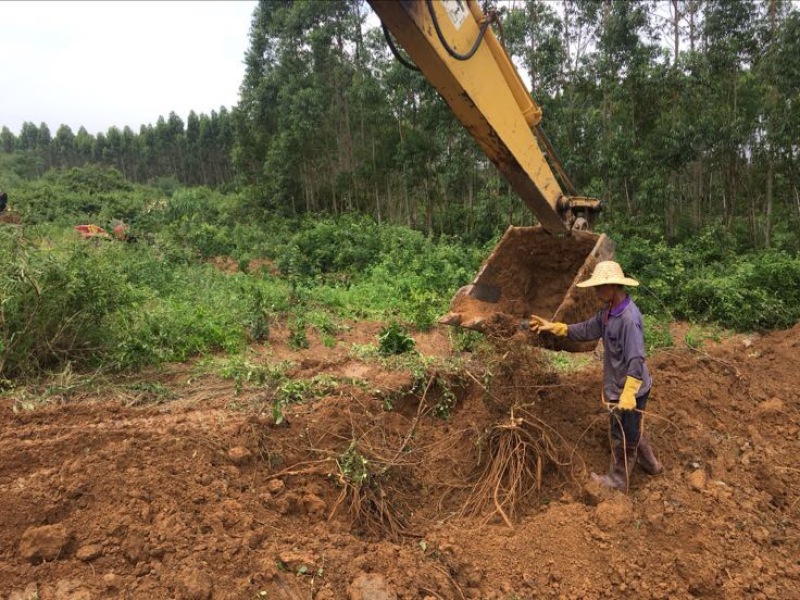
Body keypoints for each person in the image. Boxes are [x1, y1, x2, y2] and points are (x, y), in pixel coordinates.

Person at [529, 260, 662, 490]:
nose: (595, 291)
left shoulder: (629, 319)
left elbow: (636, 359)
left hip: (631, 387)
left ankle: (617, 481)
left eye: (599, 287)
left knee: (622, 434)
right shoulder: (608, 312)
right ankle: (651, 465)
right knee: (634, 427)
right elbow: (588, 329)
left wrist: (629, 393)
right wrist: (557, 328)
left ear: (612, 286)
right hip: (618, 385)